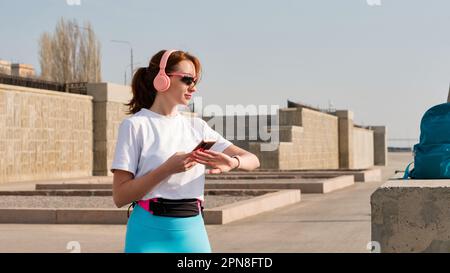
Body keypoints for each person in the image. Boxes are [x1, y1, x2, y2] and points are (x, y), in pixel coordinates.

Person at [110, 49, 260, 253]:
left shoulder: (197, 127)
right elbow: (120, 196)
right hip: (147, 234)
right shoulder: (135, 126)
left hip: (192, 232)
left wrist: (233, 162)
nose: (193, 88)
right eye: (187, 80)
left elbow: (253, 159)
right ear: (162, 79)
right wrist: (166, 169)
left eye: (195, 81)